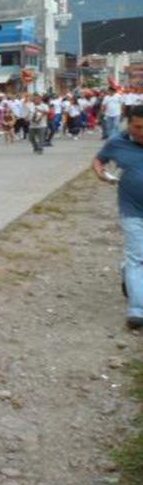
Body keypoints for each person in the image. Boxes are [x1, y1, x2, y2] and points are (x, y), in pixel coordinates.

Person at [93, 105, 143, 328]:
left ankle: (127, 273)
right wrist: (101, 173)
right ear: (129, 125)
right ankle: (137, 309)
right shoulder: (117, 143)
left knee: (135, 259)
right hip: (132, 210)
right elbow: (99, 160)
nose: (142, 132)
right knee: (137, 257)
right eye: (138, 127)